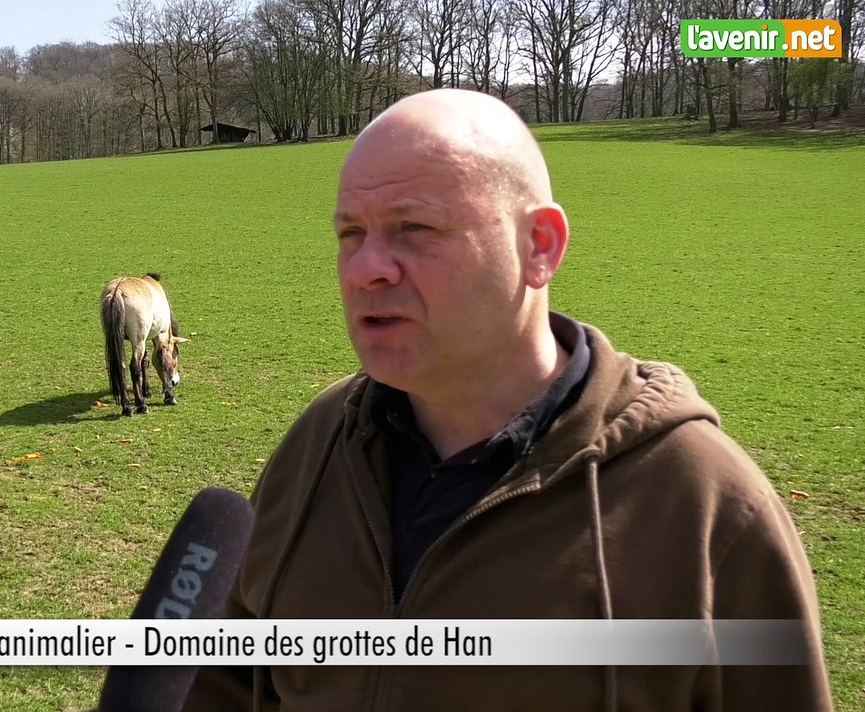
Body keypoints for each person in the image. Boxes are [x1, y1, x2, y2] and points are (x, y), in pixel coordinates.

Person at [182, 89, 832, 711]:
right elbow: (230, 683)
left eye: (414, 227)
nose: (365, 267)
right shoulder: (319, 443)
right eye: (350, 233)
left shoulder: (703, 503)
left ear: (538, 247)